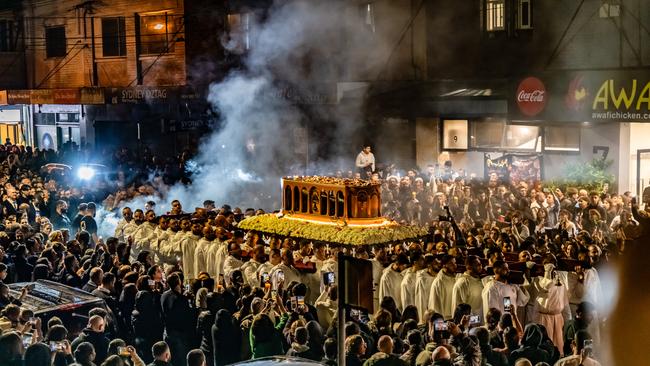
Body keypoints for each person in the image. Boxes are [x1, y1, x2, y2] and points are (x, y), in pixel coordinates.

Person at [428, 255, 458, 320]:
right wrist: (440, 326)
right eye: (451, 264)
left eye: (455, 263)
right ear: (444, 265)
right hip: (445, 319)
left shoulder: (457, 278)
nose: (455, 265)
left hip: (456, 318)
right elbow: (435, 305)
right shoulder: (438, 282)